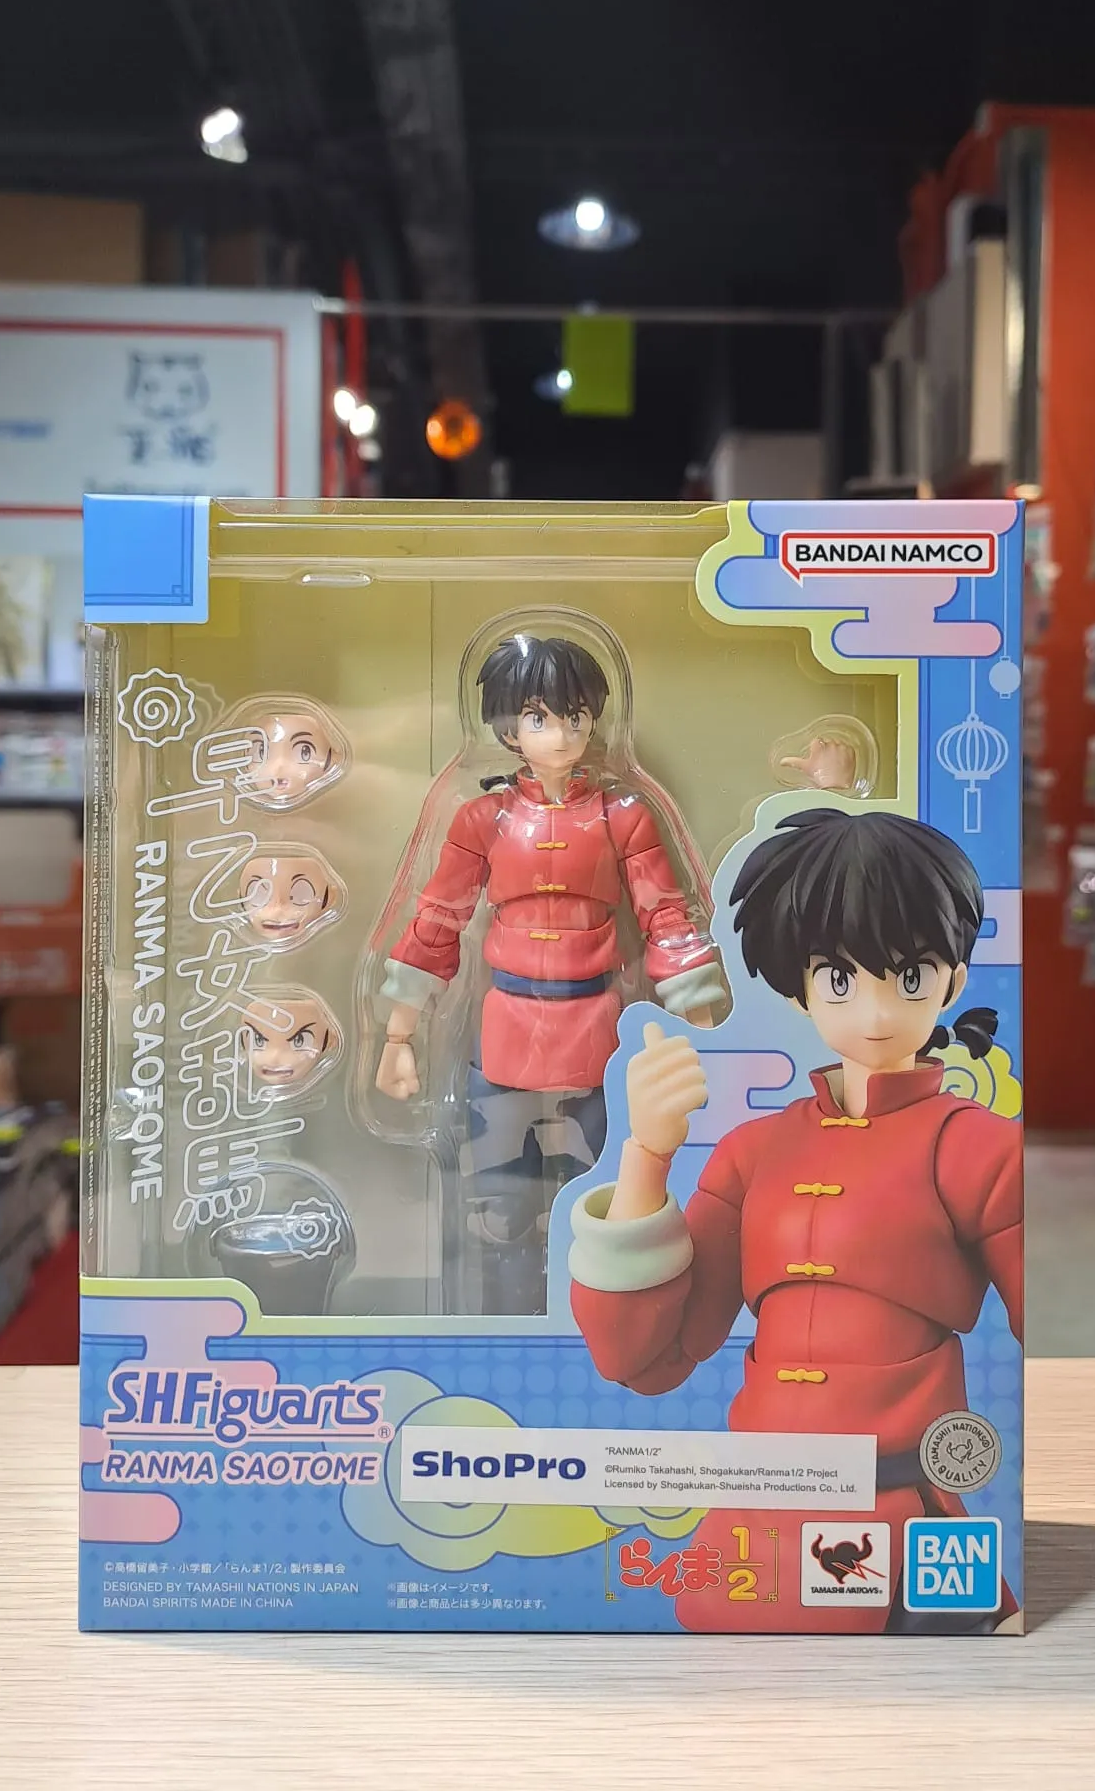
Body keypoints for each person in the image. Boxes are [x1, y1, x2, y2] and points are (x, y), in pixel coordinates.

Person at [568, 807, 1022, 1632]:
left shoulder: (978, 1148)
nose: (876, 1013)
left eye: (911, 975)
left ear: (954, 981)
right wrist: (646, 1155)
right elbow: (647, 1358)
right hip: (755, 1531)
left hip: (900, 1532)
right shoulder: (753, 1153)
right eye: (840, 978)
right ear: (799, 988)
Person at [377, 633, 726, 1312]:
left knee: (604, 1191)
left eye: (575, 716)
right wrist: (399, 1034)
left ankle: (594, 1318)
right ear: (509, 728)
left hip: (595, 1029)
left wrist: (702, 1027)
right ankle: (507, 1321)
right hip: (505, 1031)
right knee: (500, 1203)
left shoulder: (622, 816)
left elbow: (665, 916)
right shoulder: (484, 817)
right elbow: (438, 919)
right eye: (540, 718)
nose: (561, 734)